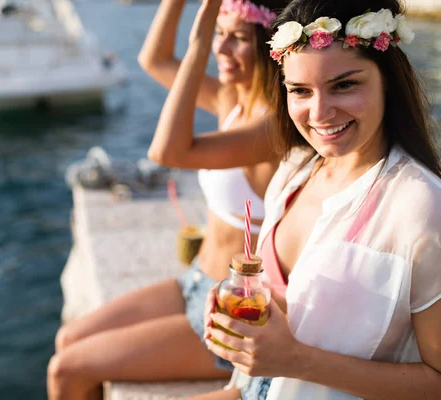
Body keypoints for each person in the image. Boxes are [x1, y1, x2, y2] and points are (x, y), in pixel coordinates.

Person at [196, 0, 441, 399]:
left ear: (388, 81)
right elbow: (307, 305)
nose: (320, 113)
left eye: (344, 85)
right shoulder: (295, 170)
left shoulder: (420, 207)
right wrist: (244, 303)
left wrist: (294, 359)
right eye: (300, 91)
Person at [46, 0, 287, 398]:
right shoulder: (233, 99)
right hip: (195, 282)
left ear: (268, 44)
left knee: (66, 371)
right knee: (68, 339)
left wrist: (197, 44)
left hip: (231, 317)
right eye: (218, 34)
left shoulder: (274, 126)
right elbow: (154, 60)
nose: (221, 49)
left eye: (238, 38)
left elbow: (168, 152)